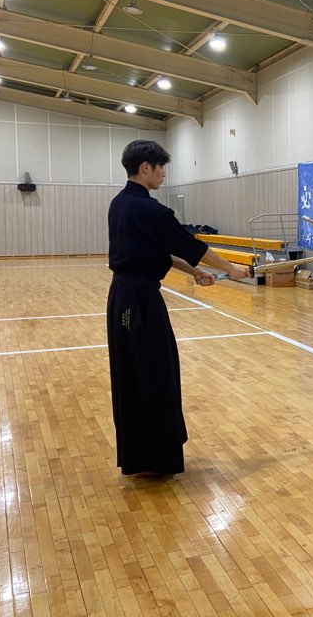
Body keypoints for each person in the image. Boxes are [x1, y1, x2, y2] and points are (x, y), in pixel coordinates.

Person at [107, 140, 248, 476]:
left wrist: (195, 272)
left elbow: (158, 253)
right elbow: (191, 245)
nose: (164, 174)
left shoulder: (119, 204)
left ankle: (142, 457)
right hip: (140, 303)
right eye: (161, 168)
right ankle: (156, 459)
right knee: (155, 374)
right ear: (146, 167)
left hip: (122, 299)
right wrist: (230, 268)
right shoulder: (151, 210)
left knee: (133, 375)